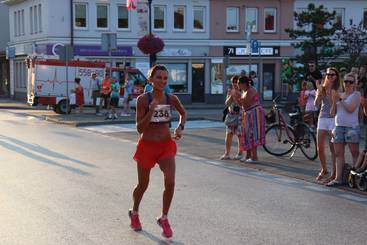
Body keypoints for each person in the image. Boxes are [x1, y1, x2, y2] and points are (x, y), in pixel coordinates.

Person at [129, 65, 186, 238]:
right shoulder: (143, 100)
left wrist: (180, 127)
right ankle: (135, 212)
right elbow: (139, 128)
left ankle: (164, 217)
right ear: (150, 79)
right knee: (143, 185)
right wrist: (151, 111)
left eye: (165, 78)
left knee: (170, 182)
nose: (162, 81)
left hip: (165, 145)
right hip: (147, 145)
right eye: (158, 77)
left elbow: (183, 113)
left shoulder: (171, 98)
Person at [327, 73, 361, 186]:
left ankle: (355, 179)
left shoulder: (356, 95)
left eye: (350, 82)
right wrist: (334, 101)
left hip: (351, 127)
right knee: (338, 153)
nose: (347, 84)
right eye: (346, 81)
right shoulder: (340, 94)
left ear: (354, 83)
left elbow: (351, 109)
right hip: (338, 126)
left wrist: (340, 99)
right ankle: (338, 179)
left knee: (354, 153)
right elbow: (332, 113)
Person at [314, 67, 339, 182]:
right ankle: (324, 169)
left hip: (334, 119)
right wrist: (319, 93)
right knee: (319, 147)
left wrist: (329, 93)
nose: (330, 77)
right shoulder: (322, 88)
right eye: (328, 75)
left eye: (332, 75)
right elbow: (316, 104)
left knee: (333, 148)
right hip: (322, 118)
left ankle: (334, 173)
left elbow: (335, 104)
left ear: (336, 76)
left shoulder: (338, 88)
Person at [236, 76, 265, 163]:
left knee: (252, 134)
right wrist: (237, 98)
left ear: (244, 83)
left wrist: (238, 97)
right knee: (247, 135)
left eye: (239, 83)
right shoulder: (244, 91)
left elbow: (246, 104)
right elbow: (242, 105)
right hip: (248, 114)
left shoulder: (251, 90)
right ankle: (248, 155)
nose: (238, 86)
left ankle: (254, 157)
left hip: (254, 114)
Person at [220, 75, 243, 160]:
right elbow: (227, 103)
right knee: (229, 134)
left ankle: (240, 153)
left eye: (236, 82)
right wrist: (231, 96)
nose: (234, 84)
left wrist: (238, 95)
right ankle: (227, 153)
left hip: (240, 114)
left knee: (239, 135)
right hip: (231, 114)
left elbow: (243, 104)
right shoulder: (230, 91)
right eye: (233, 82)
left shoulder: (243, 91)